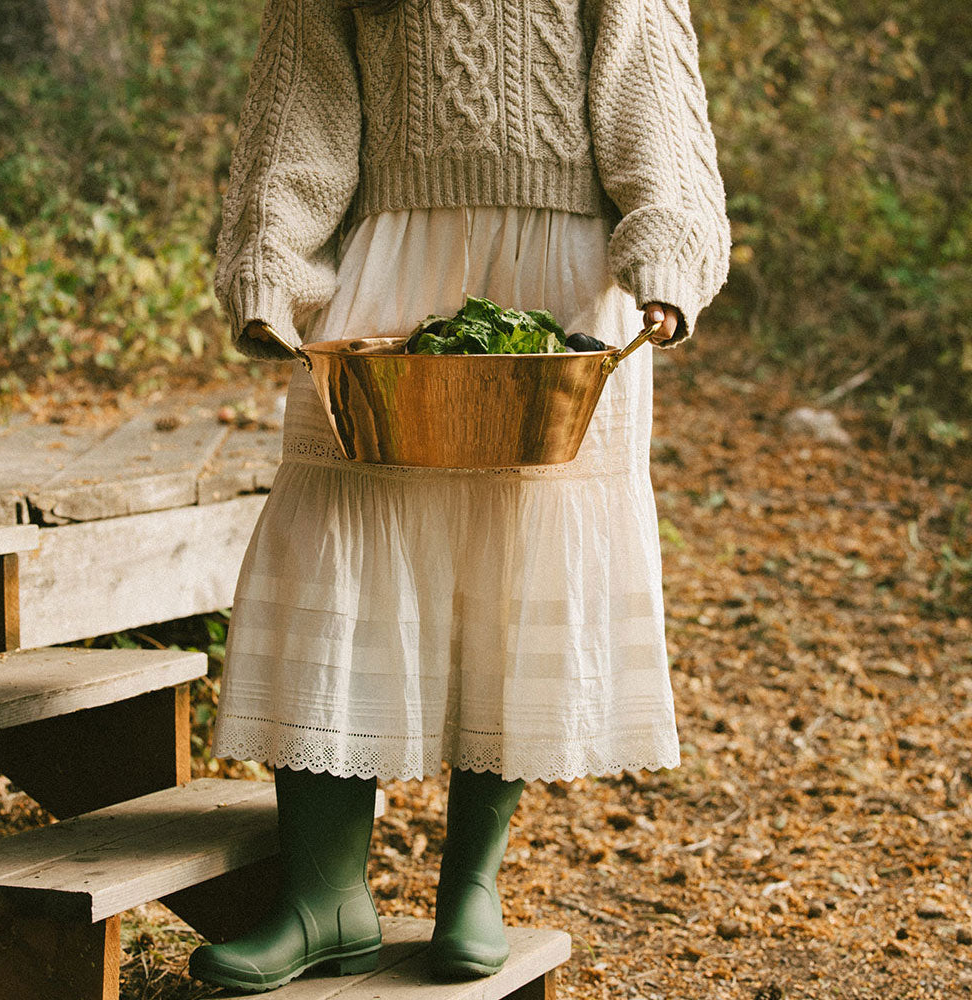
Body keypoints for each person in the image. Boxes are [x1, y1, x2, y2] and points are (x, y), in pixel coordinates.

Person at [188, 0, 730, 991]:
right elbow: (297, 105)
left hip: (563, 278)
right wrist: (273, 265)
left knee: (515, 556)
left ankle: (469, 885)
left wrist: (667, 254)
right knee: (332, 538)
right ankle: (322, 898)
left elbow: (651, 93)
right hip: (384, 259)